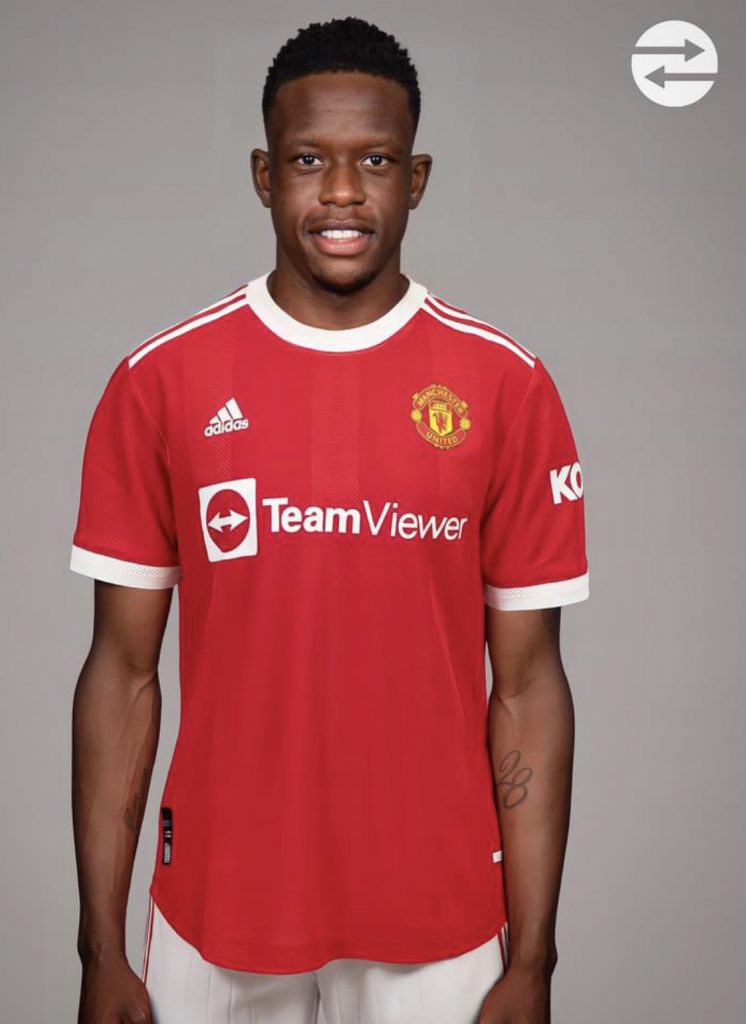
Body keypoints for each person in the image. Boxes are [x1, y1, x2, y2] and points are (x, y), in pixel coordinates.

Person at [70, 16, 588, 1024]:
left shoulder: (506, 386)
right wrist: (100, 948)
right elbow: (121, 674)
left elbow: (528, 686)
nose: (343, 191)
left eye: (376, 161)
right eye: (309, 159)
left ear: (416, 178)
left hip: (438, 912)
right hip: (216, 904)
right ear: (264, 176)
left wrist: (533, 959)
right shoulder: (161, 381)